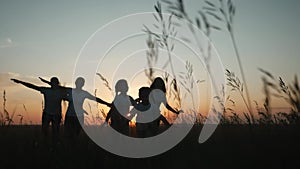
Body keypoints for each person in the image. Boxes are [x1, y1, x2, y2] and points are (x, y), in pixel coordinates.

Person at [39, 77, 111, 137]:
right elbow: (58, 87)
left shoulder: (84, 93)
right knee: (68, 135)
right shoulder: (70, 90)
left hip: (79, 117)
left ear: (82, 84)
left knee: (76, 135)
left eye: (80, 83)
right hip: (69, 116)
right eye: (78, 82)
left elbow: (95, 98)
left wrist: (106, 103)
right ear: (76, 83)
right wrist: (47, 82)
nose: (79, 84)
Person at [11, 77, 66, 147]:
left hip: (56, 115)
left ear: (57, 83)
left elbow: (71, 90)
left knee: (55, 133)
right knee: (44, 132)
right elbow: (33, 86)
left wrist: (46, 82)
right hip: (47, 114)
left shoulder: (61, 92)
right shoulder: (46, 90)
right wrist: (20, 82)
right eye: (52, 82)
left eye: (55, 83)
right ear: (51, 83)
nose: (53, 84)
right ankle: (45, 145)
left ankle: (54, 147)